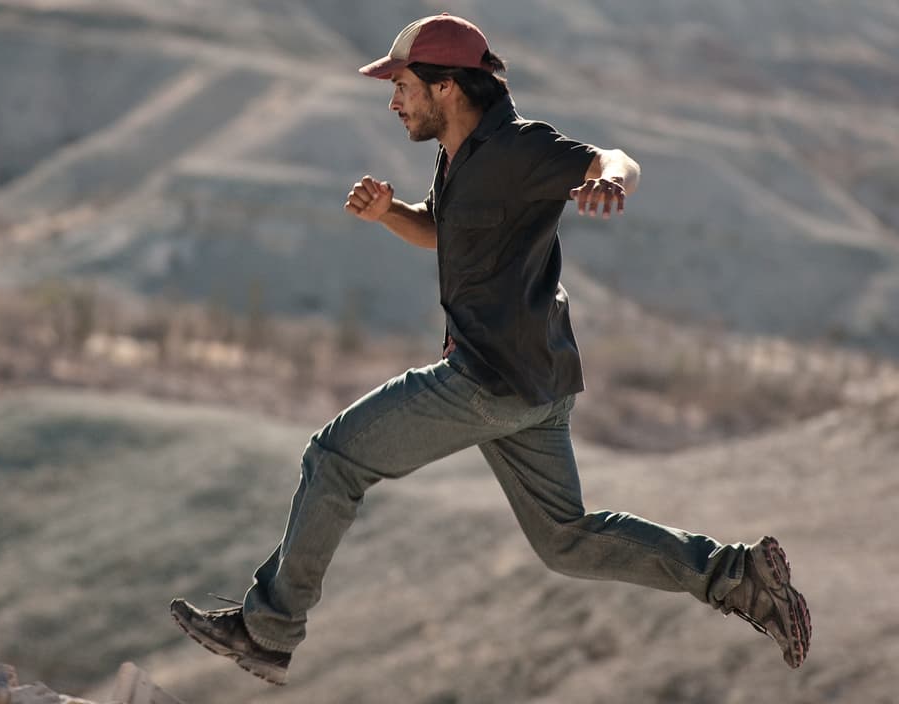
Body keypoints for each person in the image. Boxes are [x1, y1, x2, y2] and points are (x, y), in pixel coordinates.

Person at [169, 13, 811, 686]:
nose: (393, 102)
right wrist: (388, 212)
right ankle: (740, 577)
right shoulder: (459, 153)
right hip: (536, 383)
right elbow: (438, 229)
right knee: (566, 540)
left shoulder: (518, 147)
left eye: (403, 87)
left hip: (487, 378)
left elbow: (616, 159)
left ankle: (267, 632)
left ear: (447, 87)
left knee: (334, 458)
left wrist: (611, 181)